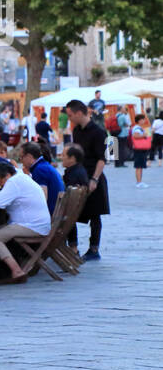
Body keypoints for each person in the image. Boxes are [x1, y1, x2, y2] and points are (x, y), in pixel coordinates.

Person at [0, 161, 51, 283]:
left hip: (32, 226)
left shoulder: (13, 182)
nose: (0, 184)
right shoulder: (22, 177)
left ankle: (16, 271)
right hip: (39, 224)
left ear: (6, 176)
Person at [67, 99, 109, 260]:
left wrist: (94, 179)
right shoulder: (76, 131)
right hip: (79, 174)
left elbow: (102, 158)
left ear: (79, 113)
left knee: (95, 214)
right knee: (71, 211)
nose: (69, 118)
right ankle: (73, 247)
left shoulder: (98, 132)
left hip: (93, 175)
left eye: (71, 115)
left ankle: (94, 248)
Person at [18, 142, 64, 213]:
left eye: (21, 157)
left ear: (29, 156)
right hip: (56, 212)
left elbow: (42, 199)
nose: (21, 161)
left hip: (50, 215)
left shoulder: (39, 170)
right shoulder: (44, 166)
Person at [61, 144, 90, 255]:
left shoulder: (75, 174)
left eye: (64, 155)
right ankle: (72, 248)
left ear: (72, 158)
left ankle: (72, 248)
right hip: (71, 214)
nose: (61, 157)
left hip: (67, 214)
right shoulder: (76, 170)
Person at [130, 113, 152, 187]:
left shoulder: (138, 127)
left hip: (140, 149)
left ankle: (140, 181)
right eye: (143, 119)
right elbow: (135, 136)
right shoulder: (137, 128)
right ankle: (139, 182)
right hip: (138, 149)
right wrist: (144, 135)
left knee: (140, 166)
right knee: (139, 166)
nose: (144, 121)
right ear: (139, 120)